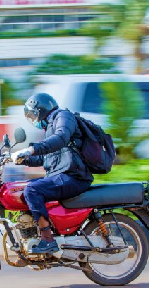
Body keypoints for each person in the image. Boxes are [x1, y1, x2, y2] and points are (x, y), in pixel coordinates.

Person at [12, 93, 93, 254]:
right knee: (25, 188)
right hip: (62, 175)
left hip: (74, 177)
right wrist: (22, 159)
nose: (34, 119)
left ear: (42, 109)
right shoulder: (50, 126)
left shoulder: (63, 117)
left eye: (34, 114)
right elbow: (45, 159)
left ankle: (48, 239)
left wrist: (32, 148)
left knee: (32, 190)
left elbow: (61, 138)